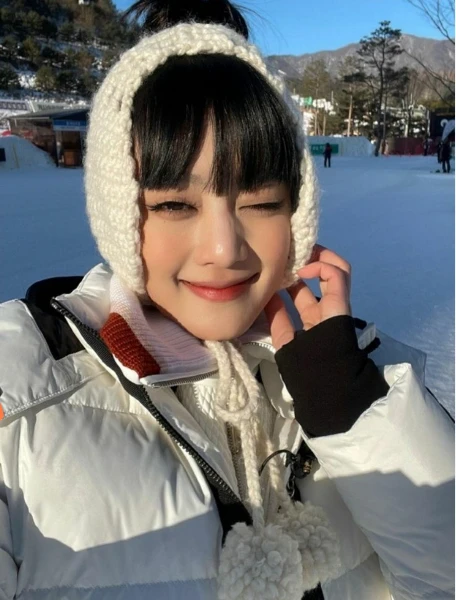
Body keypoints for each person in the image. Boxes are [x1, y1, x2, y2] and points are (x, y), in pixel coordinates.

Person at [0, 1, 454, 599]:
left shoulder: (364, 379)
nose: (224, 249)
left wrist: (353, 410)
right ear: (117, 213)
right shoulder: (20, 395)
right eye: (174, 204)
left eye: (261, 202)